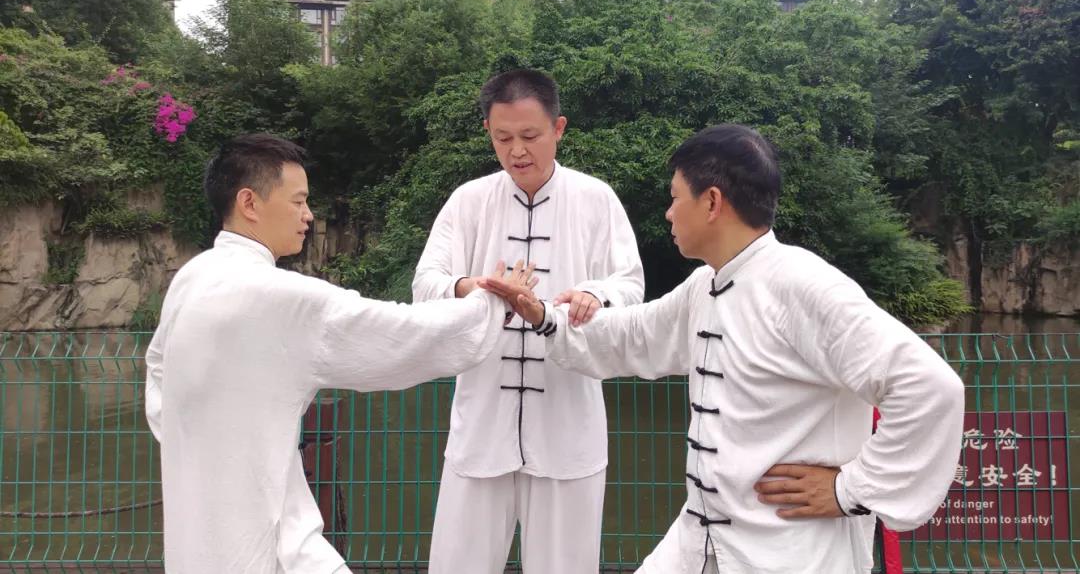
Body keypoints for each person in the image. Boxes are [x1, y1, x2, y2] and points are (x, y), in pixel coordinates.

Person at [498, 124, 966, 573]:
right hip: (702, 535)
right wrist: (543, 316)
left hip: (791, 550)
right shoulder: (706, 283)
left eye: (675, 197)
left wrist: (851, 490)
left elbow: (930, 388)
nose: (668, 213)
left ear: (712, 202)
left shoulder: (804, 285)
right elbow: (636, 334)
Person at [144, 133, 537, 574]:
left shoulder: (193, 278)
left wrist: (209, 448)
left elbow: (158, 374)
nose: (308, 215)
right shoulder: (276, 296)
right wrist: (491, 305)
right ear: (249, 203)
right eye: (298, 201)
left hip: (198, 537)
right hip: (272, 543)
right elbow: (401, 335)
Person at [413, 68, 645, 574]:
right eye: (503, 138)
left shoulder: (596, 198)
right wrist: (474, 288)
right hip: (481, 422)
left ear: (558, 128)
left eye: (530, 135)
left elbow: (630, 285)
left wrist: (593, 295)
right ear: (488, 133)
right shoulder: (469, 201)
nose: (517, 151)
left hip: (568, 421)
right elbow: (425, 285)